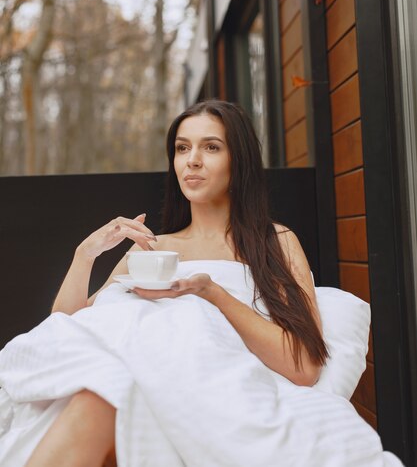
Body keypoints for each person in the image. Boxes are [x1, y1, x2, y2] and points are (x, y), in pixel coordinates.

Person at [0, 100, 403, 467]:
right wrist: (85, 254)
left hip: (219, 385)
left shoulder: (275, 242)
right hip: (138, 378)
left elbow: (304, 368)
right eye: (181, 148)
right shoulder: (151, 249)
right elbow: (65, 337)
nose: (192, 160)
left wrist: (211, 293)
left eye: (210, 147)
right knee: (97, 392)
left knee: (102, 396)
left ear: (238, 160)